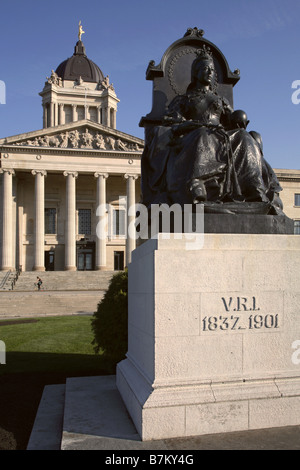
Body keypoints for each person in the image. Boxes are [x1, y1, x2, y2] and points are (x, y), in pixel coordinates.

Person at [141, 45, 282, 214]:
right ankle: (197, 184)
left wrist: (238, 120)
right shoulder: (184, 99)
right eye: (205, 69)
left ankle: (254, 189)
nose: (209, 72)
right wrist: (188, 125)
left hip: (221, 134)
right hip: (194, 134)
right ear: (196, 73)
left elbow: (231, 120)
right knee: (202, 135)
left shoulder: (220, 100)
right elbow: (173, 124)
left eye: (212, 70)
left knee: (244, 137)